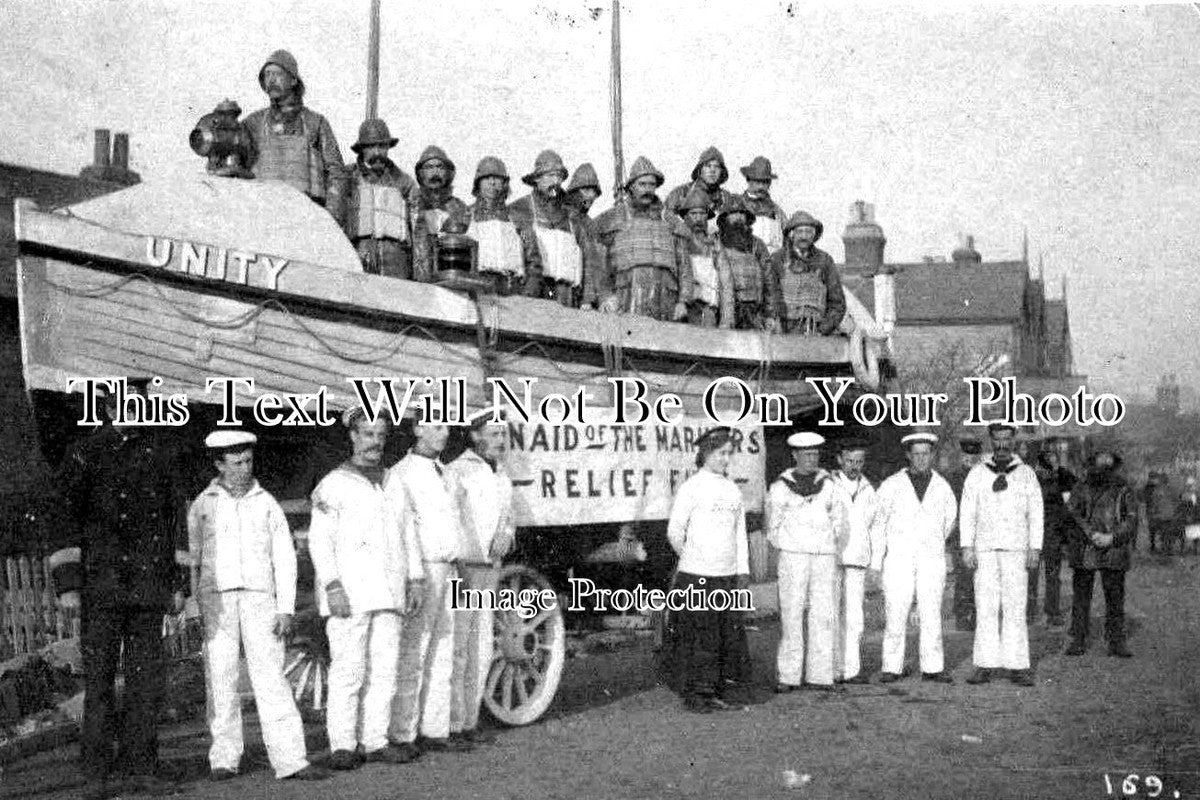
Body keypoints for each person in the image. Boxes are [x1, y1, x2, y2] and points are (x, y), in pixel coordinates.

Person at [48, 379, 189, 799]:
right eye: (122, 406)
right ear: (108, 409)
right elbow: (63, 519)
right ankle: (96, 771)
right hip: (101, 588)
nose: (130, 412)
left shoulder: (161, 454)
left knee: (147, 682)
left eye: (137, 405)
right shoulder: (84, 454)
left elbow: (174, 523)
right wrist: (69, 585)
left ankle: (142, 765)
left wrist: (178, 583)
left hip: (147, 589)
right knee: (101, 681)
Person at [187, 431, 330, 782]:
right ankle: (224, 757)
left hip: (259, 598)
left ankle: (290, 759)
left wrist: (285, 607)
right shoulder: (203, 504)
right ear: (219, 464)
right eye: (235, 463)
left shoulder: (266, 503)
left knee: (271, 677)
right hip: (216, 598)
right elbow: (193, 558)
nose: (243, 469)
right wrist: (194, 605)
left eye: (248, 461)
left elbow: (284, 559)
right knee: (220, 678)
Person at [307, 409, 424, 769]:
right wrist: (333, 585)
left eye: (380, 435)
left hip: (390, 589)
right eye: (368, 434)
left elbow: (409, 534)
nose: (374, 442)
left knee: (384, 668)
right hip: (351, 593)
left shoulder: (394, 482)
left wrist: (416, 578)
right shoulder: (333, 484)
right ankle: (343, 745)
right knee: (349, 669)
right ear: (353, 437)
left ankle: (375, 740)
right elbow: (319, 541)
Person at [388, 405, 469, 755]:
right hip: (420, 570)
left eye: (447, 426)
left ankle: (435, 729)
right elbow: (400, 531)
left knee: (443, 650)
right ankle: (403, 733)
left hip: (448, 568)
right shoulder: (400, 474)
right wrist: (413, 578)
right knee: (414, 651)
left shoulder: (447, 473)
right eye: (436, 426)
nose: (444, 432)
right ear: (418, 429)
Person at [664, 427, 751, 712]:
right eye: (720, 453)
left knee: (723, 636)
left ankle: (715, 689)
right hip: (696, 575)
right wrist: (693, 558)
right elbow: (675, 531)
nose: (726, 459)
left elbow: (740, 534)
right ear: (705, 455)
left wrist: (741, 571)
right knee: (697, 636)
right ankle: (695, 694)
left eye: (729, 453)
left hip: (725, 576)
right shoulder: (692, 487)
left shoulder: (732, 489)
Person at [446, 410, 516, 744]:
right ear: (475, 436)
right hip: (464, 570)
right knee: (458, 647)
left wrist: (506, 535)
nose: (501, 440)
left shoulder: (502, 474)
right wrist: (464, 558)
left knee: (482, 646)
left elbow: (508, 517)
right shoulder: (458, 471)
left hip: (490, 570)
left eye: (503, 434)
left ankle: (469, 722)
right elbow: (451, 520)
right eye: (494, 433)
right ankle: (451, 724)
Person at [869, 431, 957, 683]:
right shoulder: (891, 485)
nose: (921, 459)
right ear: (908, 455)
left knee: (931, 611)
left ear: (931, 455)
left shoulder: (942, 486)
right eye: (916, 454)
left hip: (931, 558)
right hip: (899, 558)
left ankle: (932, 667)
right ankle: (891, 666)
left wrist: (932, 541)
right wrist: (876, 563)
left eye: (925, 454)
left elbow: (950, 520)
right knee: (896, 612)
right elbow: (878, 525)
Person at [959, 423, 1043, 686]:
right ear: (991, 441)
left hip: (1016, 549)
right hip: (984, 549)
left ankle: (1017, 665)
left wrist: (1034, 547)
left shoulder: (1026, 473)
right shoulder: (977, 473)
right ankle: (985, 664)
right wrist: (967, 547)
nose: (1003, 444)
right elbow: (967, 512)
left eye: (1007, 439)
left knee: (1015, 607)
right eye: (998, 440)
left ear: (1014, 441)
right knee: (986, 607)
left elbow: (1036, 513)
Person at [768, 432, 850, 692]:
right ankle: (789, 676)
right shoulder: (781, 486)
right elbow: (772, 525)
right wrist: (790, 544)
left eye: (814, 454)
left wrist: (831, 548)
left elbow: (841, 524)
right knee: (791, 614)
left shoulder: (830, 485)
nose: (810, 460)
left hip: (823, 557)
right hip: (793, 557)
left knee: (823, 614)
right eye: (805, 455)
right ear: (795, 456)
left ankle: (820, 674)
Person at [244, 49, 345, 218]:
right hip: (263, 213)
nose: (271, 80)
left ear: (292, 80)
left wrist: (330, 217)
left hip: (306, 215)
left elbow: (337, 174)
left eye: (277, 74)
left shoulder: (316, 123)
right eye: (267, 75)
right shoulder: (253, 124)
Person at [593, 156, 692, 321]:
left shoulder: (670, 221)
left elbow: (684, 266)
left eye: (652, 185)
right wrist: (605, 296)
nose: (648, 189)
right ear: (631, 187)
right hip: (627, 294)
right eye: (642, 184)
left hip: (665, 296)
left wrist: (683, 302)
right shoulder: (613, 218)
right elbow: (600, 265)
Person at [1064, 448, 1136, 658]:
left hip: (1114, 548)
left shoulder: (1124, 488)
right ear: (1092, 461)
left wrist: (1112, 537)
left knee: (1115, 598)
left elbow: (1131, 519)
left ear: (1114, 462)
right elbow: (1072, 512)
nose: (1104, 463)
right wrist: (1089, 532)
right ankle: (1078, 639)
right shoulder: (1081, 486)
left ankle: (1115, 641)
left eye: (1108, 459)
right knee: (1081, 598)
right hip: (1085, 548)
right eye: (1100, 459)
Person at [510, 150, 590, 306]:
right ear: (537, 179)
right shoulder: (520, 209)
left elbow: (589, 260)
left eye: (559, 177)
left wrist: (587, 299)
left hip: (566, 294)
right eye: (550, 176)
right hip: (534, 292)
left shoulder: (573, 218)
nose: (556, 181)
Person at [342, 118, 420, 278]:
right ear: (361, 149)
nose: (377, 152)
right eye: (371, 146)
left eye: (382, 146)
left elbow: (418, 227)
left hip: (396, 259)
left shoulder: (404, 182)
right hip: (356, 254)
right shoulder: (347, 177)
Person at [830, 439, 878, 685]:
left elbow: (875, 528)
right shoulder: (828, 485)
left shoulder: (869, 490)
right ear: (840, 460)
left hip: (857, 561)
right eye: (850, 461)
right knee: (830, 615)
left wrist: (875, 561)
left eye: (859, 461)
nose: (854, 466)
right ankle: (830, 669)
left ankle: (851, 670)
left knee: (855, 618)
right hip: (831, 561)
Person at [767, 211, 846, 336]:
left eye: (808, 232)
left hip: (816, 329)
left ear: (814, 235)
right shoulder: (777, 260)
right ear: (791, 234)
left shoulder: (825, 261)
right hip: (785, 330)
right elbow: (770, 295)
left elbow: (837, 303)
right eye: (800, 232)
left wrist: (823, 330)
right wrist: (776, 323)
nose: (804, 236)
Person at [464, 156, 530, 296]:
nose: (492, 182)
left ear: (504, 183)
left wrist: (529, 293)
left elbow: (533, 259)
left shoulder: (517, 219)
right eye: (487, 178)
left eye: (497, 178)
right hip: (477, 287)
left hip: (512, 288)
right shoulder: (465, 216)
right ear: (478, 183)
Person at [714, 197, 779, 331]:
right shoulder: (715, 242)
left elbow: (769, 280)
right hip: (722, 310)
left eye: (741, 214)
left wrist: (770, 314)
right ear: (725, 218)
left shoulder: (757, 245)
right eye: (733, 214)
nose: (738, 217)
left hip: (753, 311)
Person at [411, 145, 470, 281]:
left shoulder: (461, 209)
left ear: (449, 173)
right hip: (415, 283)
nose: (435, 172)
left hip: (449, 281)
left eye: (440, 167)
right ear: (420, 173)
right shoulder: (410, 206)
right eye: (429, 167)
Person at [1034, 453, 1079, 627]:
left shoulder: (1064, 476)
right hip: (1037, 530)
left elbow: (1071, 503)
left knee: (1052, 574)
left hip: (1053, 530)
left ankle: (1051, 611)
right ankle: (1031, 610)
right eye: (1049, 458)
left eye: (1055, 457)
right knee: (1031, 574)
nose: (1053, 461)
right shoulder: (1033, 477)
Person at [677, 186, 732, 327]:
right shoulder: (677, 242)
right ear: (685, 216)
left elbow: (726, 285)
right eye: (693, 214)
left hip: (708, 312)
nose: (698, 218)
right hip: (683, 311)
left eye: (702, 214)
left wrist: (727, 320)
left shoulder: (715, 246)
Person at [948, 438, 983, 631]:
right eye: (967, 455)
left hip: (981, 533)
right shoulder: (953, 478)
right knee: (963, 576)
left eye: (974, 456)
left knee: (979, 576)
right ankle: (962, 616)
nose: (970, 459)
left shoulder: (984, 477)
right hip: (960, 534)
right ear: (962, 456)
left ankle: (977, 615)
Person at [664, 146, 735, 224]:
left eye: (717, 166)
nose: (712, 170)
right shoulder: (681, 191)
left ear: (722, 172)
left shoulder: (726, 197)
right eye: (708, 166)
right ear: (700, 170)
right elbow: (667, 213)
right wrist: (682, 228)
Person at [738, 156, 787, 253]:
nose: (761, 186)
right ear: (749, 180)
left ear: (769, 184)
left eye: (764, 182)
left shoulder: (777, 211)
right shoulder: (737, 206)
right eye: (757, 181)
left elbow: (788, 240)